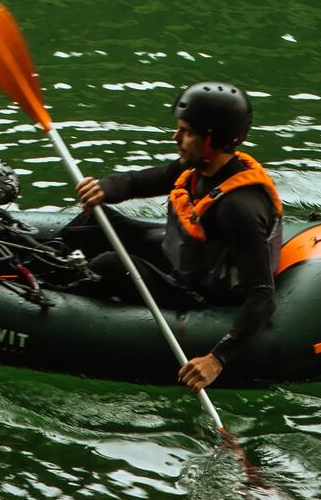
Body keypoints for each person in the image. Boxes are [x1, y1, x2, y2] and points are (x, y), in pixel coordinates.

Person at [59, 81, 283, 394]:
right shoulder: (199, 167)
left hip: (200, 291)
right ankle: (32, 263)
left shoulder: (239, 206)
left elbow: (262, 296)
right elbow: (137, 182)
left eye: (186, 132)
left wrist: (216, 360)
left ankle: (48, 291)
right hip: (187, 258)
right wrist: (105, 188)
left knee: (110, 265)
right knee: (93, 220)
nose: (175, 138)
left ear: (212, 140)